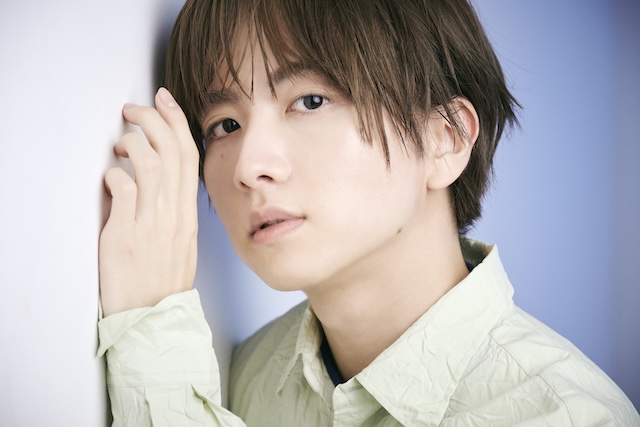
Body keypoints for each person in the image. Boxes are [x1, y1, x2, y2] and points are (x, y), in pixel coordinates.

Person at [97, 0, 640, 425]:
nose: (249, 165)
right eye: (225, 125)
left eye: (310, 101)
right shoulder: (250, 373)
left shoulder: (562, 415)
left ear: (445, 139)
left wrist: (154, 335)